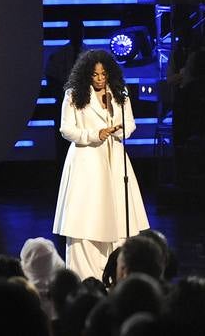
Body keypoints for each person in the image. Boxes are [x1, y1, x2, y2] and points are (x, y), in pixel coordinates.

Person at [53, 49, 150, 280]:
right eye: (95, 75)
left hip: (114, 157)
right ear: (86, 74)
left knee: (118, 215)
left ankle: (116, 272)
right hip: (87, 159)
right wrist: (95, 134)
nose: (99, 79)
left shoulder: (119, 94)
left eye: (103, 74)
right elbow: (66, 129)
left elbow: (130, 124)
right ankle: (85, 276)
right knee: (87, 217)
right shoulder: (74, 94)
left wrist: (116, 130)